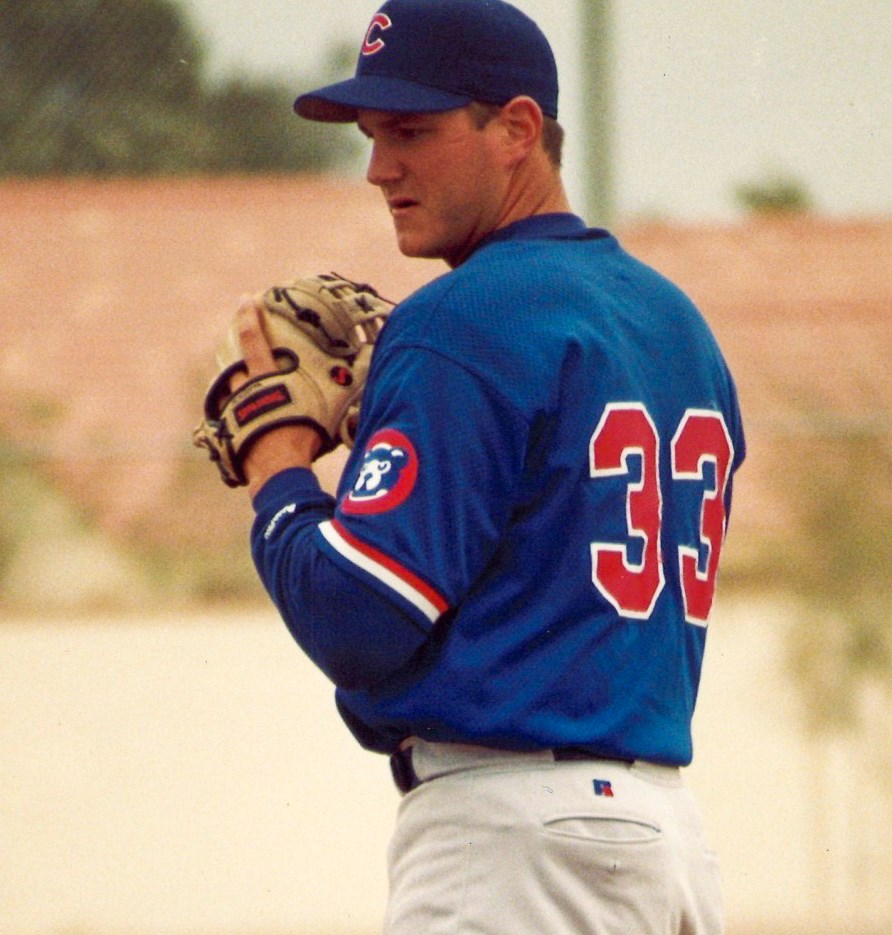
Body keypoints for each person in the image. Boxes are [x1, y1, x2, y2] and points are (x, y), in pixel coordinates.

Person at [232, 0, 745, 931]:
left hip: (512, 842)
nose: (379, 167)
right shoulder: (677, 323)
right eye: (373, 136)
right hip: (666, 841)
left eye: (411, 132)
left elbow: (360, 616)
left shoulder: (463, 320)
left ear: (515, 129)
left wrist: (279, 469)